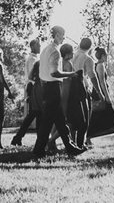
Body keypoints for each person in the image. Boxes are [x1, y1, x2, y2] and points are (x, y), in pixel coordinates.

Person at [32, 26, 84, 158]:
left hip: (46, 87)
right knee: (48, 122)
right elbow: (54, 73)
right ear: (55, 35)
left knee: (59, 121)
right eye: (62, 35)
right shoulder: (55, 52)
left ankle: (70, 147)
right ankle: (39, 150)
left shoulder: (45, 49)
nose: (63, 38)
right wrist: (71, 74)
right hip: (53, 88)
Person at [10, 38, 42, 146]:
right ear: (33, 46)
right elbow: (33, 75)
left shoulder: (35, 58)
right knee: (34, 113)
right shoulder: (32, 59)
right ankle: (19, 137)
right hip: (32, 86)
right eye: (38, 46)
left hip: (34, 86)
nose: (40, 47)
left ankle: (19, 137)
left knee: (35, 114)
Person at [73, 38, 96, 147]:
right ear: (90, 47)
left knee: (72, 117)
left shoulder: (72, 55)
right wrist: (99, 92)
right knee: (85, 117)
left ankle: (72, 141)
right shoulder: (88, 58)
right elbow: (92, 76)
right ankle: (81, 143)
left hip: (70, 88)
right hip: (83, 88)